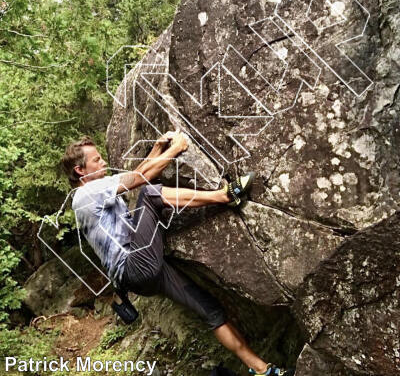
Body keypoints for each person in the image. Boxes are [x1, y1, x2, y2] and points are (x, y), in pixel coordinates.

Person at [61, 130, 293, 376]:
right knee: (149, 195)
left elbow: (138, 173)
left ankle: (263, 370)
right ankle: (223, 196)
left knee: (210, 310)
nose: (104, 162)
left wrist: (159, 147)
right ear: (80, 171)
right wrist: (176, 148)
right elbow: (142, 178)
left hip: (142, 272)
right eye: (97, 160)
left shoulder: (96, 190)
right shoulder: (86, 194)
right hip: (134, 265)